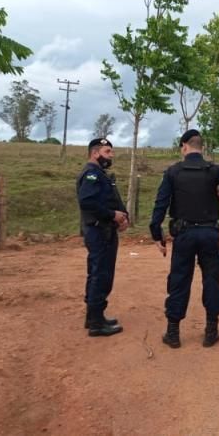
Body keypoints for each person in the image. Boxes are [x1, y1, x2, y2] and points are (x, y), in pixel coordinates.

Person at [150, 129, 219, 349]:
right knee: (211, 280)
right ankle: (211, 331)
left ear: (184, 146)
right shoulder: (214, 170)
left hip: (183, 235)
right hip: (209, 234)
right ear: (200, 147)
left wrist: (157, 234)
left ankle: (173, 333)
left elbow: (160, 205)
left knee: (179, 280)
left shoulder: (173, 172)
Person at [76, 138, 129, 337]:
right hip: (99, 231)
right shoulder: (91, 174)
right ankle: (97, 324)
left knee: (97, 273)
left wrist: (122, 217)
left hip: (104, 230)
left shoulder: (100, 174)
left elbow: (111, 199)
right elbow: (87, 202)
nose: (111, 156)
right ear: (95, 153)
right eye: (108, 152)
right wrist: (112, 216)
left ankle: (93, 317)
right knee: (101, 275)